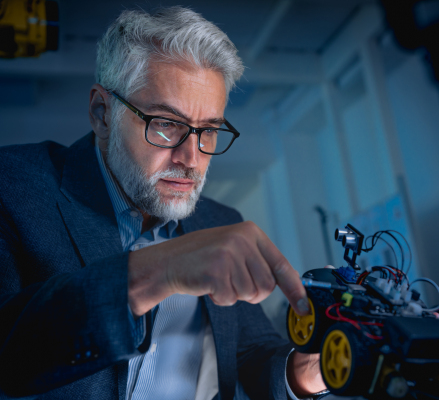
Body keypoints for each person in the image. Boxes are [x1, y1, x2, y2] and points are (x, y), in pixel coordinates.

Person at [0, 6, 327, 400]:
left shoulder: (220, 221)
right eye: (166, 123)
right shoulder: (12, 185)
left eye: (208, 130)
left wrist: (306, 370)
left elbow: (251, 354)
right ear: (102, 114)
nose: (191, 157)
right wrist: (164, 267)